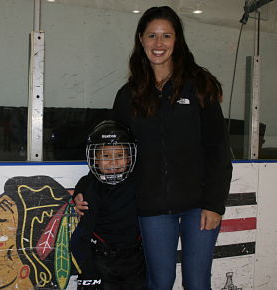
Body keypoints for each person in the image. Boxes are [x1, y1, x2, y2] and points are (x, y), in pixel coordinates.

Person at [75, 6, 233, 290]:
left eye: (166, 36)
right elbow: (112, 154)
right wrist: (83, 189)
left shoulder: (199, 87)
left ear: (177, 40)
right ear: (141, 39)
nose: (159, 44)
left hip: (200, 206)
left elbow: (218, 149)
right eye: (152, 36)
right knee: (160, 283)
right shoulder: (128, 96)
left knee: (197, 283)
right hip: (151, 209)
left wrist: (214, 203)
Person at [70, 120, 147, 290]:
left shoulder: (138, 182)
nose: (113, 162)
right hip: (100, 262)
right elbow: (79, 240)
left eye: (119, 155)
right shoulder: (91, 188)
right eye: (106, 156)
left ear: (129, 158)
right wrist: (90, 273)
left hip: (136, 262)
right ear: (95, 159)